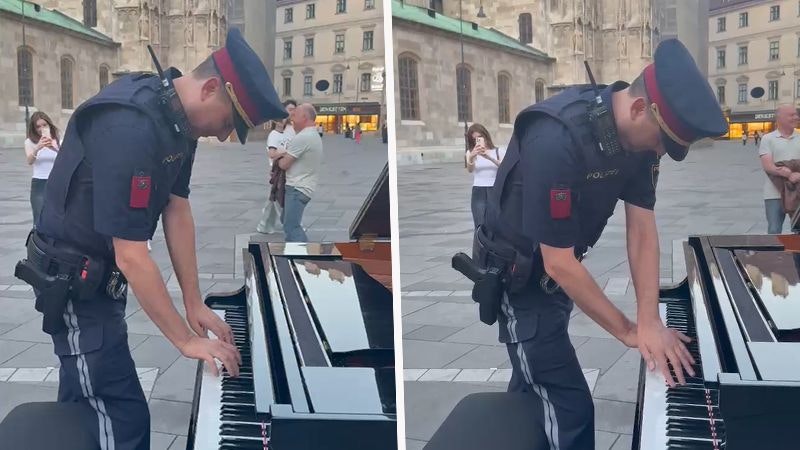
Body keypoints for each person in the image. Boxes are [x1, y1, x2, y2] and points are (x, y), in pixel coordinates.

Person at [16, 28, 286, 450]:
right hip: (74, 289)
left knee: (86, 401)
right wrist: (184, 340)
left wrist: (194, 303)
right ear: (212, 87)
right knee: (120, 420)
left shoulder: (178, 121)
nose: (222, 135)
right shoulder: (132, 127)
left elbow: (177, 209)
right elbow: (132, 256)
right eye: (229, 122)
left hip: (99, 282)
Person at [472, 39, 727, 449]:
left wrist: (649, 320)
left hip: (555, 276)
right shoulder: (556, 139)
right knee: (570, 408)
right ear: (641, 108)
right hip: (518, 280)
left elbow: (642, 229)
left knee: (533, 381)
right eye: (663, 140)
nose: (661, 150)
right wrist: (628, 331)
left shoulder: (640, 141)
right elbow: (558, 263)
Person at [270, 103, 323, 241]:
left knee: (291, 227)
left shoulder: (303, 137)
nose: (292, 118)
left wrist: (279, 156)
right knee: (286, 220)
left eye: (295, 115)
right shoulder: (313, 134)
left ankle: (303, 258)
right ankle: (296, 253)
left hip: (297, 188)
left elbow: (284, 164)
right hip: (304, 186)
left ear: (304, 117)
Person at [758, 104, 800, 234]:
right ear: (779, 118)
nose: (796, 117)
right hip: (774, 193)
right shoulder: (768, 139)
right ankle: (775, 255)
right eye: (791, 115)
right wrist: (788, 174)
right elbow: (768, 166)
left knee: (798, 231)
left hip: (797, 192)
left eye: (796, 114)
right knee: (774, 230)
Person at [465, 123, 505, 229]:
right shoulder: (470, 153)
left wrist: (489, 157)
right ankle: (479, 244)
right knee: (479, 222)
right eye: (474, 139)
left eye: (480, 137)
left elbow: (504, 168)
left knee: (496, 222)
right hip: (479, 190)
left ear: (485, 136)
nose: (477, 141)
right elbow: (470, 170)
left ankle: (495, 245)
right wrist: (472, 157)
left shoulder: (498, 151)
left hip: (495, 189)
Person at [24, 112, 60, 225]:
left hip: (56, 182)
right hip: (39, 183)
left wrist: (54, 148)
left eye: (44, 125)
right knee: (39, 215)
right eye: (38, 126)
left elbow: (66, 159)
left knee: (56, 216)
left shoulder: (58, 141)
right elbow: (30, 161)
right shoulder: (29, 142)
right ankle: (38, 241)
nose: (41, 128)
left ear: (49, 125)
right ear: (34, 128)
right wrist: (38, 148)